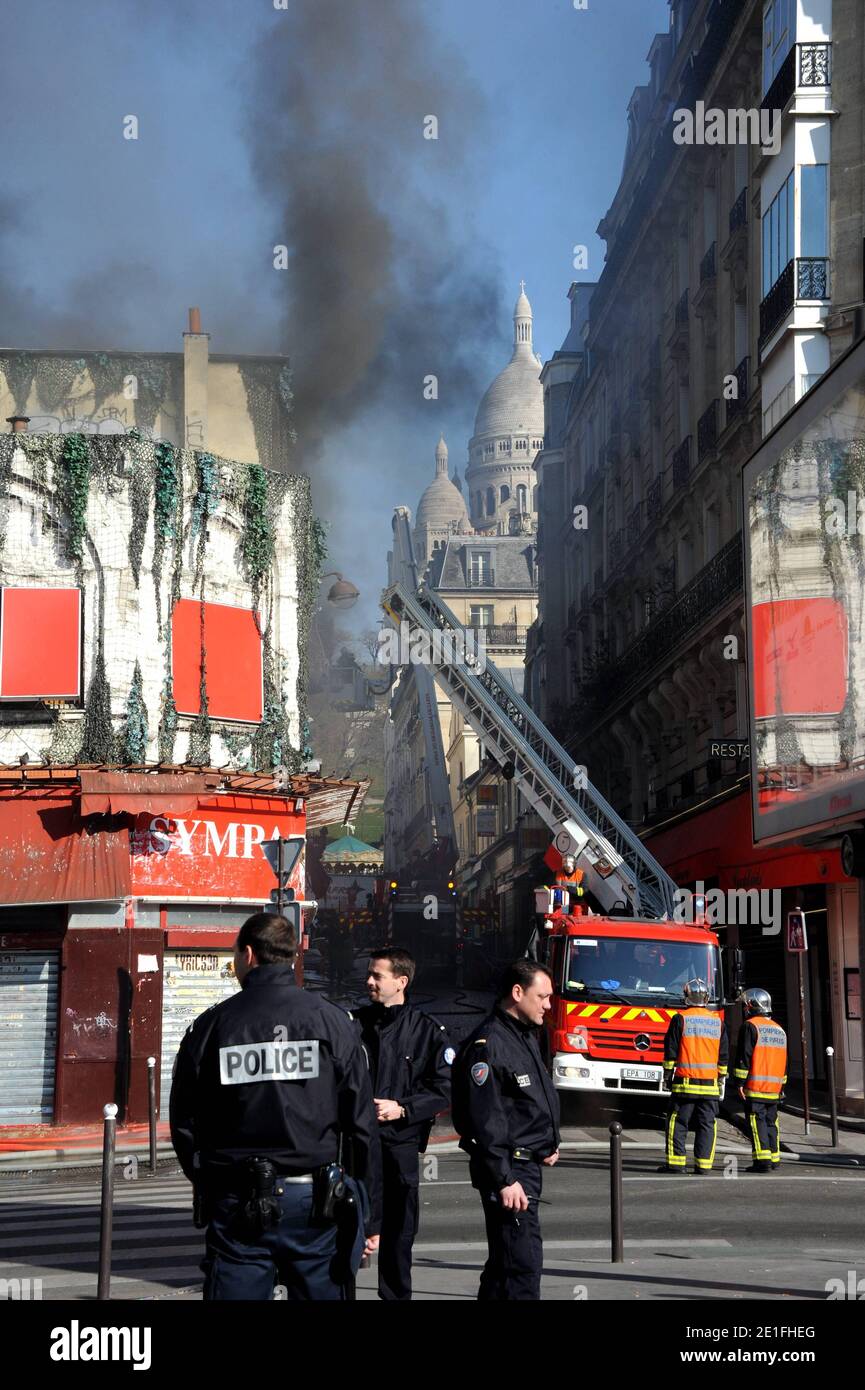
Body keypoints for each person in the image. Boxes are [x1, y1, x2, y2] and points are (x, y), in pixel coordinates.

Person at [170, 911, 382, 1300]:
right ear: (290, 958)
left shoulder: (212, 1027)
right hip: (316, 1204)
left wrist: (207, 1181)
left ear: (249, 954)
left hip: (236, 1203)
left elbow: (184, 1121)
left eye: (235, 955)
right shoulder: (334, 1023)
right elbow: (362, 1126)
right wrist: (369, 1214)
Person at [451, 959, 561, 1300]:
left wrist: (547, 1142)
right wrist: (504, 1179)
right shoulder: (489, 1044)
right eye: (542, 996)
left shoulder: (523, 1035)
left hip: (524, 1167)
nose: (548, 1005)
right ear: (517, 992)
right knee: (522, 1268)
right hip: (510, 1172)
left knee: (504, 1265)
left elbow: (525, 1100)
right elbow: (485, 1121)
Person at [355, 946, 453, 1300]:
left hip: (399, 1147)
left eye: (376, 976)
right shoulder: (354, 1025)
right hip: (356, 1147)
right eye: (368, 974)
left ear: (401, 981)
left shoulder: (426, 1031)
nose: (368, 981)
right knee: (350, 1230)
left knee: (399, 1235)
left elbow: (444, 1088)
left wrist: (403, 1109)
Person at [661, 977, 729, 1175]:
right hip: (710, 1085)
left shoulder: (680, 1019)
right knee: (707, 1125)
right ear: (706, 998)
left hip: (685, 1084)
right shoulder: (718, 1022)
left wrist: (667, 1076)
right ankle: (704, 1165)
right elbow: (723, 1056)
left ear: (686, 997)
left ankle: (676, 1164)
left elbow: (671, 1051)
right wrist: (721, 1079)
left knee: (678, 1122)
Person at [733, 987, 788, 1173]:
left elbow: (744, 1057)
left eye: (745, 1006)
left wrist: (739, 1082)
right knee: (772, 1123)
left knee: (758, 1123)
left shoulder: (750, 1026)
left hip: (756, 1086)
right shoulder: (779, 1030)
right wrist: (782, 1086)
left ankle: (762, 1161)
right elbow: (783, 1061)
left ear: (751, 1006)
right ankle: (774, 1158)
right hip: (774, 1087)